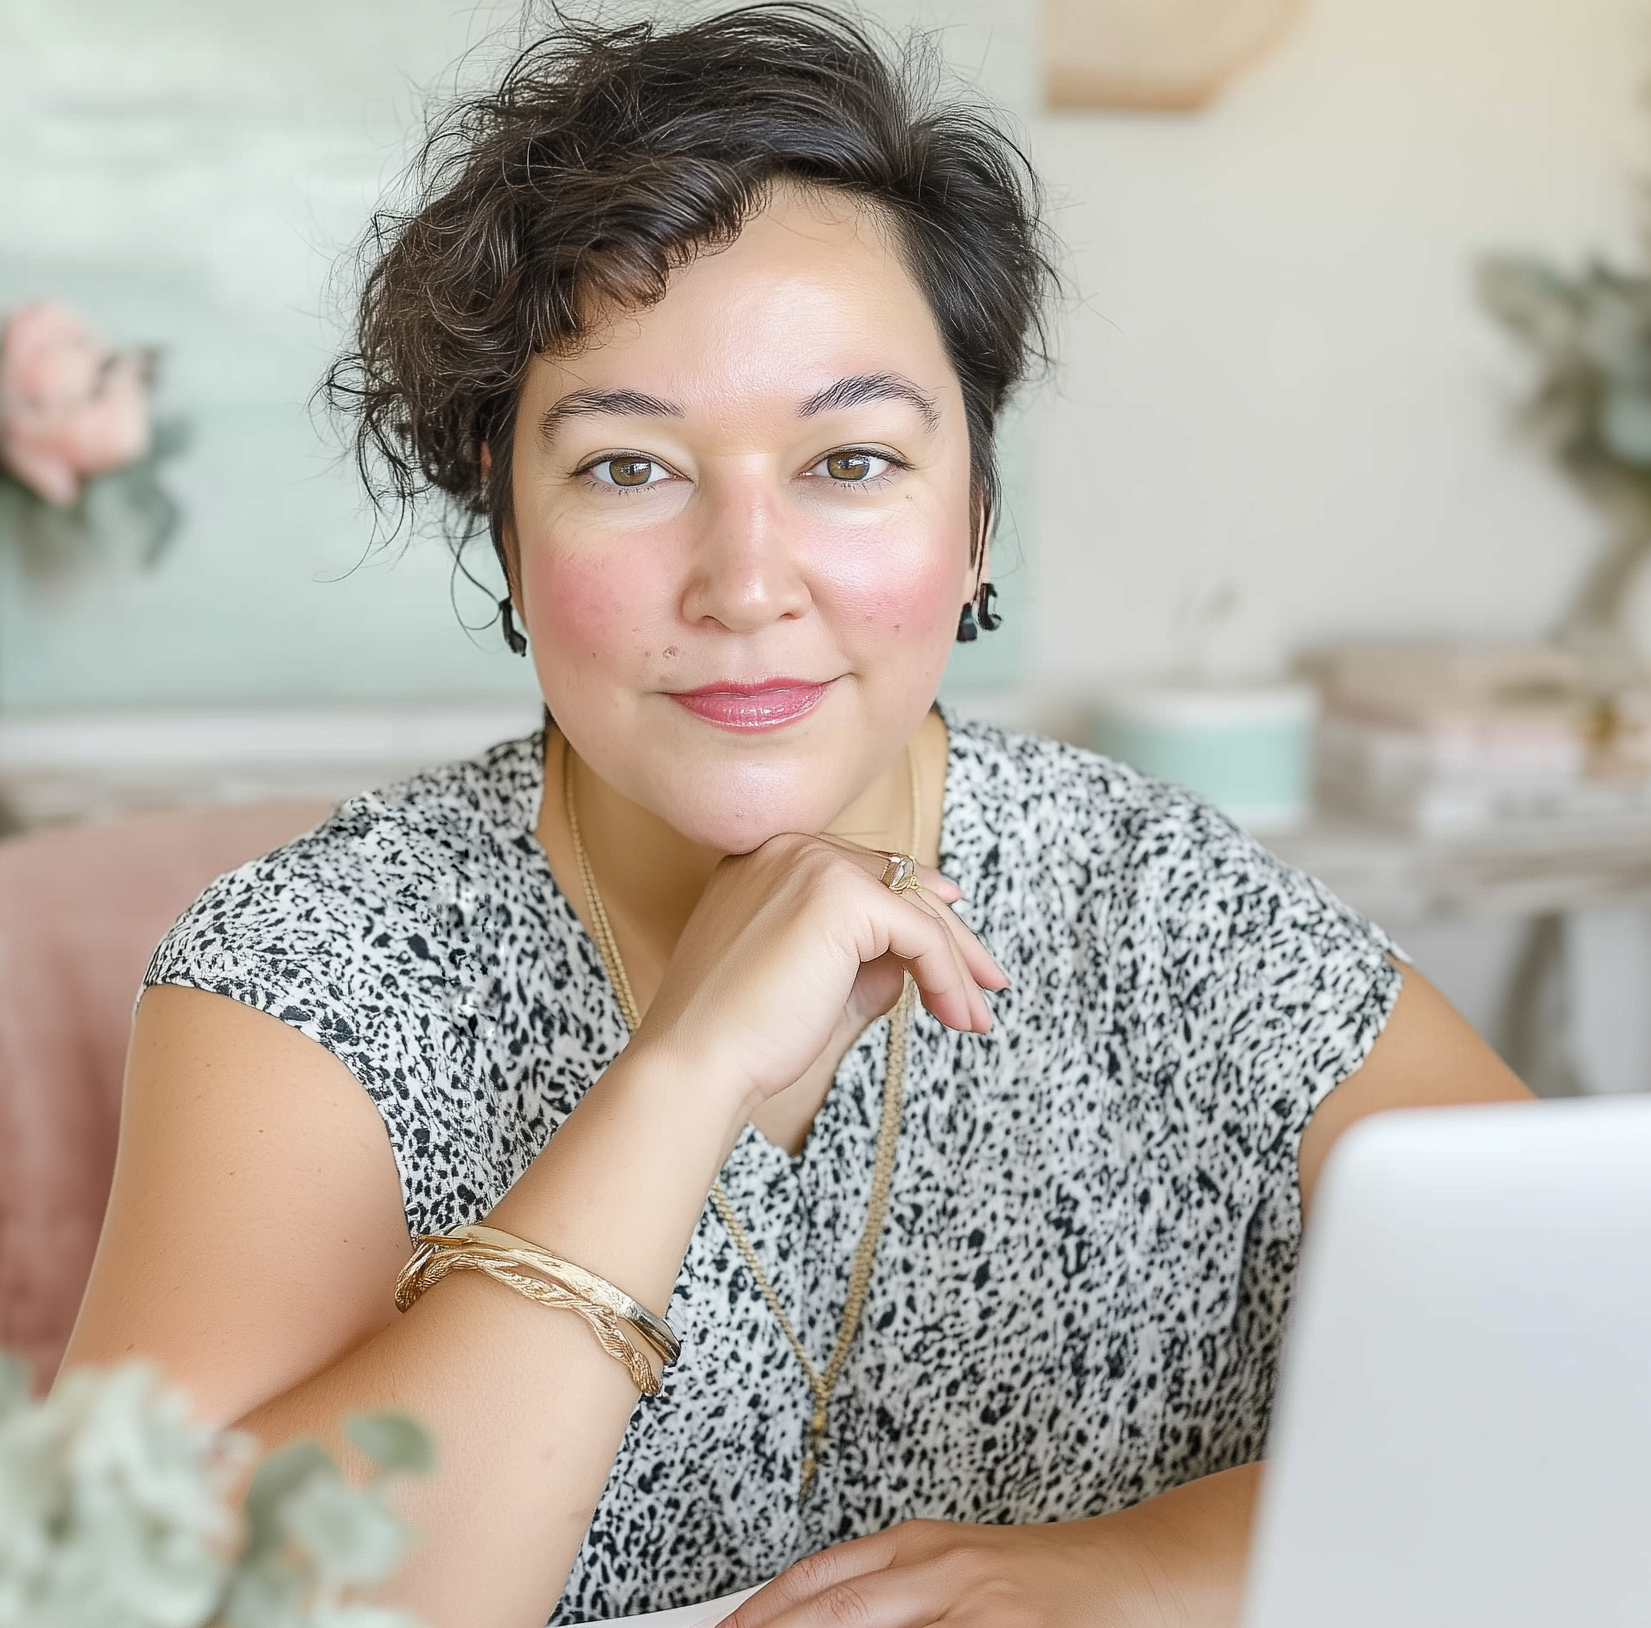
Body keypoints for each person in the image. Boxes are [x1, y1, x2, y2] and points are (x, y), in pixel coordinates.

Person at [64, 7, 1531, 1625]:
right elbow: (149, 1601)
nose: (748, 585)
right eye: (629, 469)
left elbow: (1616, 1357)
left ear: (976, 514)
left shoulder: (1161, 900)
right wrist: (681, 1084)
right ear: (505, 512)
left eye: (851, 460)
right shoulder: (306, 975)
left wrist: (1140, 1566)